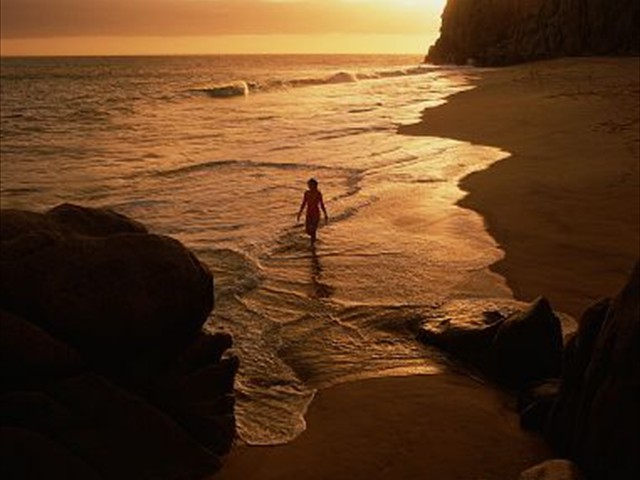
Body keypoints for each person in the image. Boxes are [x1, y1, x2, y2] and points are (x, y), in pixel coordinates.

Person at [296, 178, 328, 244]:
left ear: (315, 185)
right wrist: (299, 213)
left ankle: (312, 245)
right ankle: (313, 240)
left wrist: (325, 214)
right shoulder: (307, 193)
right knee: (307, 230)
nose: (309, 186)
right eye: (309, 185)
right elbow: (304, 203)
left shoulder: (318, 193)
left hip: (316, 214)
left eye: (311, 185)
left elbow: (321, 204)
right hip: (309, 214)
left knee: (313, 230)